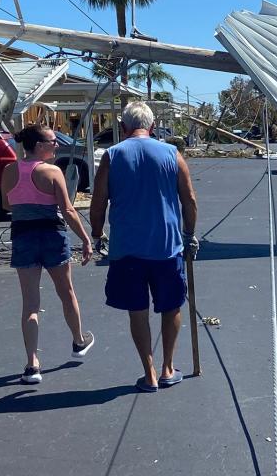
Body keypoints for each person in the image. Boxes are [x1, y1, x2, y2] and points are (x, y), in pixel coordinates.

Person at [89, 101, 199, 393]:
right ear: (152, 126)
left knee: (137, 311)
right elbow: (189, 198)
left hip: (127, 248)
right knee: (171, 306)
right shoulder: (171, 154)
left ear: (123, 128)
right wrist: (189, 234)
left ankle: (149, 373)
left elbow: (98, 201)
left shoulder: (112, 155)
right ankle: (167, 368)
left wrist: (97, 233)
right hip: (166, 246)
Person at [2, 124, 95, 385]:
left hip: (23, 236)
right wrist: (86, 239)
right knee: (66, 292)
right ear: (39, 146)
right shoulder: (52, 171)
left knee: (30, 304)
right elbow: (68, 210)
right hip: (52, 235)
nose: (56, 145)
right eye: (53, 141)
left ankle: (32, 364)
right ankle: (78, 340)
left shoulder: (10, 171)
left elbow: (6, 203)